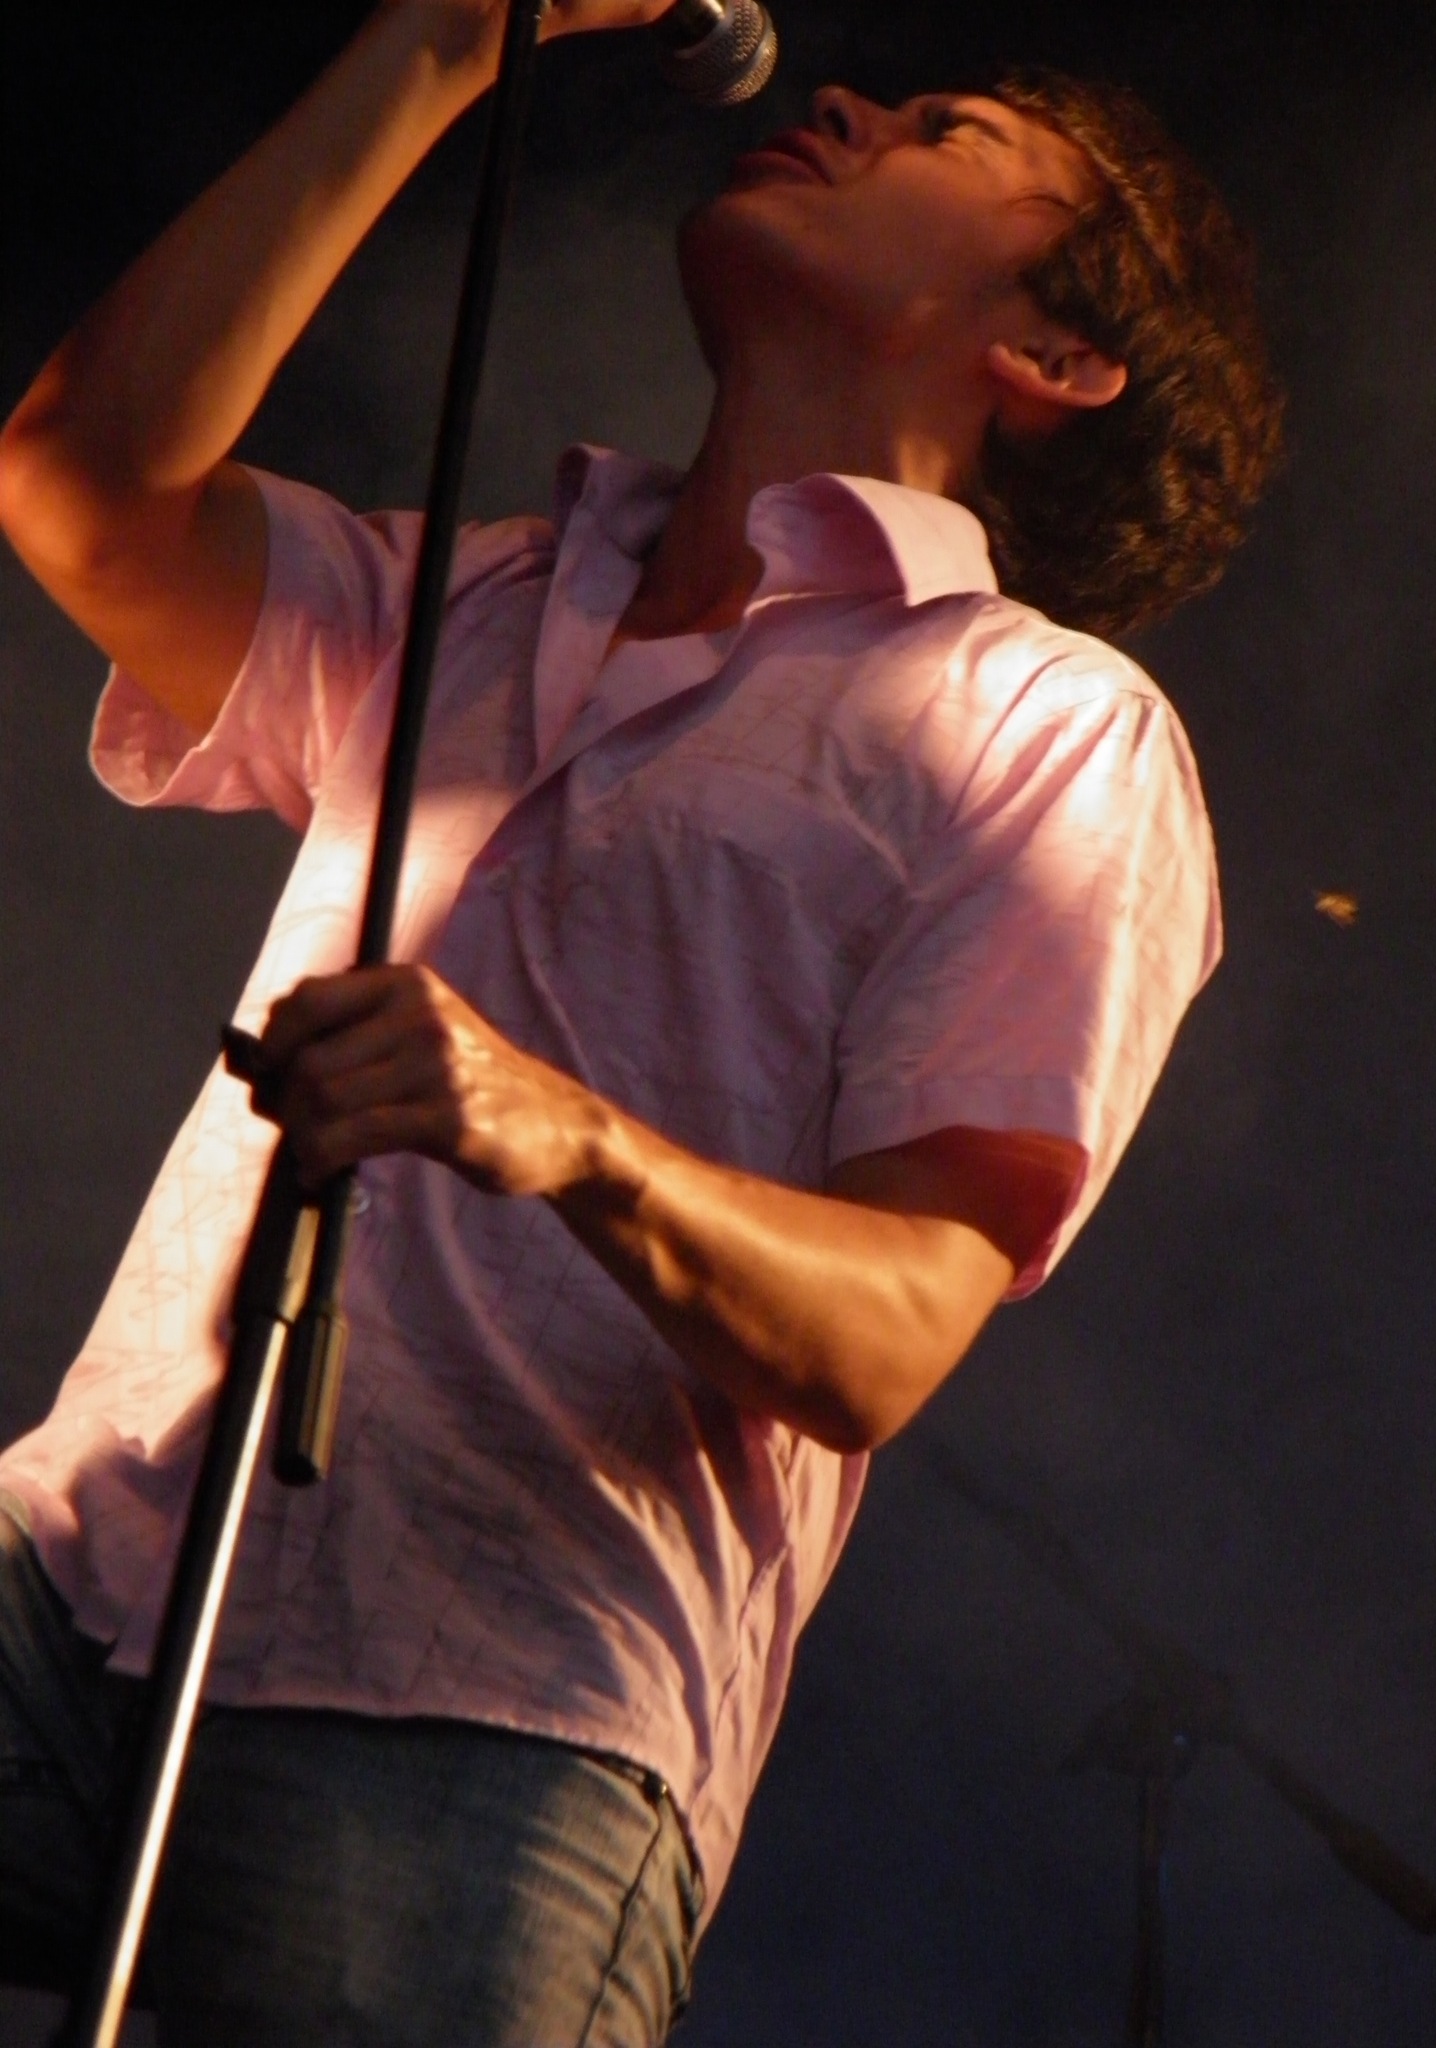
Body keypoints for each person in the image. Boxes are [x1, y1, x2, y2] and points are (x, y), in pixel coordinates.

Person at [0, 1, 1283, 2041]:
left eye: (950, 130)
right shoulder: (483, 593)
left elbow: (891, 1330)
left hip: (495, 1715)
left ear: (1054, 357)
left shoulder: (1046, 726)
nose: (845, 101)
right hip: (87, 1559)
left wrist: (563, 1130)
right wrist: (441, 44)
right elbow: (87, 483)